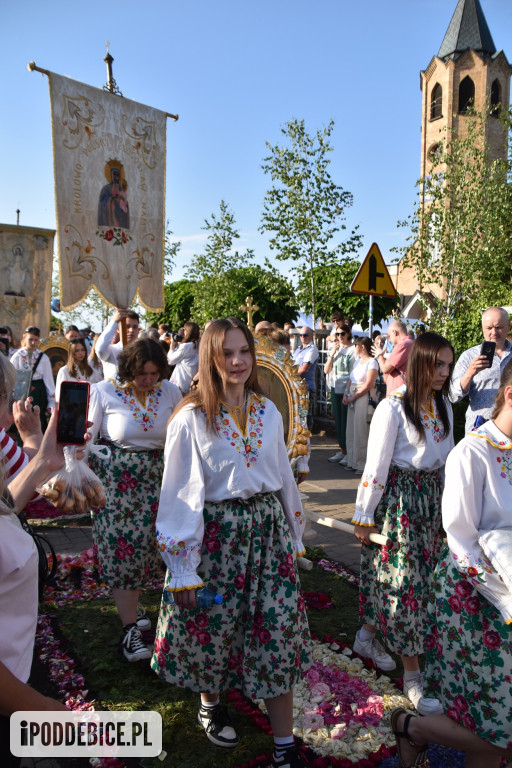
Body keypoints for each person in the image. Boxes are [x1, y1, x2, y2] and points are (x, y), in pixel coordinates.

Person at [152, 318, 311, 768]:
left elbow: (283, 478)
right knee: (215, 629)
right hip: (218, 538)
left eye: (244, 351)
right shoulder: (190, 419)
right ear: (209, 357)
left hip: (267, 535)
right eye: (227, 353)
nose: (238, 361)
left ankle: (284, 747)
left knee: (276, 632)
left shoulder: (268, 411)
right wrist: (183, 566)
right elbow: (181, 492)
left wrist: (293, 533)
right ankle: (210, 701)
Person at [390, 360, 512, 768]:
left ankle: (415, 730)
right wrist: (507, 598)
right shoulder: (472, 452)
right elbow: (461, 543)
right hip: (476, 595)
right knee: (495, 725)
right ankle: (413, 728)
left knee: (498, 721)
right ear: (510, 395)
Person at [351, 332, 455, 716]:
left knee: (418, 582)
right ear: (420, 364)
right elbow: (375, 467)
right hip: (401, 504)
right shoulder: (392, 408)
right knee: (404, 583)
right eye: (438, 364)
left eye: (448, 364)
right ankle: (413, 677)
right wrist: (363, 516)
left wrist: (452, 513)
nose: (444, 372)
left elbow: (448, 462)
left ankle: (365, 638)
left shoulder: (443, 403)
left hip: (432, 504)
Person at [87, 338, 181, 662]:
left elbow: (184, 433)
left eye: (155, 373)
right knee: (123, 551)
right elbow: (87, 438)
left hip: (159, 481)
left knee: (149, 550)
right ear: (129, 368)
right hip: (118, 486)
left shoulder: (169, 391)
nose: (149, 380)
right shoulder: (104, 391)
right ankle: (130, 632)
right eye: (143, 373)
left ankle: (136, 607)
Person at [450, 306, 512, 433]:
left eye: (499, 327)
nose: (494, 333)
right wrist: (470, 373)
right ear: (482, 328)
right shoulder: (469, 356)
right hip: (480, 431)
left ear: (508, 326)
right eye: (489, 328)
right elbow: (453, 396)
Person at [343, 336, 378, 473]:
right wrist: (346, 393)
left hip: (362, 395)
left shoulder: (372, 362)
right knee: (351, 429)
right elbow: (350, 379)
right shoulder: (357, 362)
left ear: (362, 347)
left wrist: (354, 396)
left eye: (356, 345)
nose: (355, 347)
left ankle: (362, 463)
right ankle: (352, 461)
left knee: (361, 430)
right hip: (353, 393)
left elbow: (369, 384)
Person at [11, 327, 55, 431]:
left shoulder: (43, 357)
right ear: (25, 338)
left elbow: (48, 381)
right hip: (22, 390)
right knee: (22, 418)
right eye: (30, 339)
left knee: (38, 418)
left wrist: (51, 402)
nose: (33, 342)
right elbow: (11, 377)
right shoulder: (17, 356)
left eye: (36, 340)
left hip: (39, 391)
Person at [324, 324, 355, 464]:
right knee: (338, 420)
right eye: (337, 334)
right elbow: (326, 370)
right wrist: (332, 353)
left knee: (346, 422)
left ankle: (349, 451)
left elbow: (353, 372)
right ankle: (342, 449)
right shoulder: (335, 349)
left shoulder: (353, 350)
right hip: (334, 387)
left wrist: (348, 391)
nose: (340, 337)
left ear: (348, 333)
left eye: (342, 333)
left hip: (346, 389)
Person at [95, 308, 140, 380]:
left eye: (135, 327)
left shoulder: (142, 351)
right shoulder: (111, 350)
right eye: (127, 326)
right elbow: (100, 349)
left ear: (138, 330)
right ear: (118, 329)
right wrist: (115, 321)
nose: (131, 330)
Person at [372, 319, 414, 396]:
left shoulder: (404, 344)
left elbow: (385, 369)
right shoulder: (411, 343)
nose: (389, 339)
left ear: (395, 332)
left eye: (389, 335)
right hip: (401, 391)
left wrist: (379, 354)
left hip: (399, 394)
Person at [293, 326, 319, 429]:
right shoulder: (298, 350)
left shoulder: (312, 349)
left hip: (307, 386)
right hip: (297, 385)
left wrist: (290, 378)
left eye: (305, 335)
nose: (303, 337)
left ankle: (308, 440)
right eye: (301, 335)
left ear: (311, 336)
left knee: (307, 414)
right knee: (299, 413)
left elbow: (304, 369)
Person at [167, 321, 200, 394]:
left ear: (187, 331)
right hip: (191, 383)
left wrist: (172, 346)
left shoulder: (186, 346)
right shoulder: (199, 345)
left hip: (180, 384)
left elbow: (170, 360)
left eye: (184, 329)